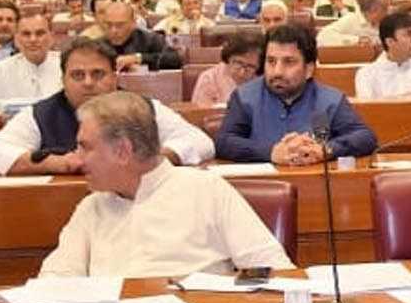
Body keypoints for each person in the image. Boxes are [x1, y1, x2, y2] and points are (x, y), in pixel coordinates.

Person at [37, 92, 291, 278]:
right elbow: (54, 283)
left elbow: (273, 269)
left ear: (123, 151)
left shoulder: (206, 190)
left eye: (85, 147)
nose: (76, 158)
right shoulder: (92, 207)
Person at [0, 39, 212, 175]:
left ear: (114, 77)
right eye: (78, 75)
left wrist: (155, 158)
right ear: (63, 80)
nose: (88, 83)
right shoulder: (41, 114)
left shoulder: (143, 108)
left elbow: (201, 142)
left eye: (98, 74)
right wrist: (58, 163)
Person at [214, 24, 378, 165]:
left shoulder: (329, 101)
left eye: (288, 62)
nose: (277, 71)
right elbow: (224, 142)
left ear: (308, 69)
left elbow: (365, 138)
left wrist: (325, 149)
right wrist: (271, 152)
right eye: (271, 61)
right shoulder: (244, 97)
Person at [354, 9, 411, 99]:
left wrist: (396, 98)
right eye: (408, 34)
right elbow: (367, 108)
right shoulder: (366, 74)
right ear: (390, 41)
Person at [0, 11, 61, 109]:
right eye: (26, 34)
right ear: (16, 40)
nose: (33, 40)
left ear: (51, 38)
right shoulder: (4, 68)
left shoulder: (65, 64)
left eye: (39, 34)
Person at [93, 0, 182, 70]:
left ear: (133, 23)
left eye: (120, 25)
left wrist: (138, 58)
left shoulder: (150, 39)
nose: (114, 30)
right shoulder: (97, 45)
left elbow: (175, 60)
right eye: (109, 25)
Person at [190, 29, 264, 108]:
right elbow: (199, 113)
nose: (242, 72)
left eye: (250, 66)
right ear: (228, 58)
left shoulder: (265, 81)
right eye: (238, 63)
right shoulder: (209, 78)